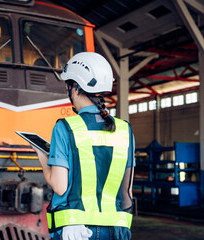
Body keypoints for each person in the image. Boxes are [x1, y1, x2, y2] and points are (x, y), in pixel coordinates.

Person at [31, 52, 135, 240]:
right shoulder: (124, 130)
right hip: (116, 230)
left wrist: (43, 158)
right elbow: (126, 191)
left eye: (68, 86)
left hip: (74, 230)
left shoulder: (65, 127)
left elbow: (60, 187)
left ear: (76, 88)